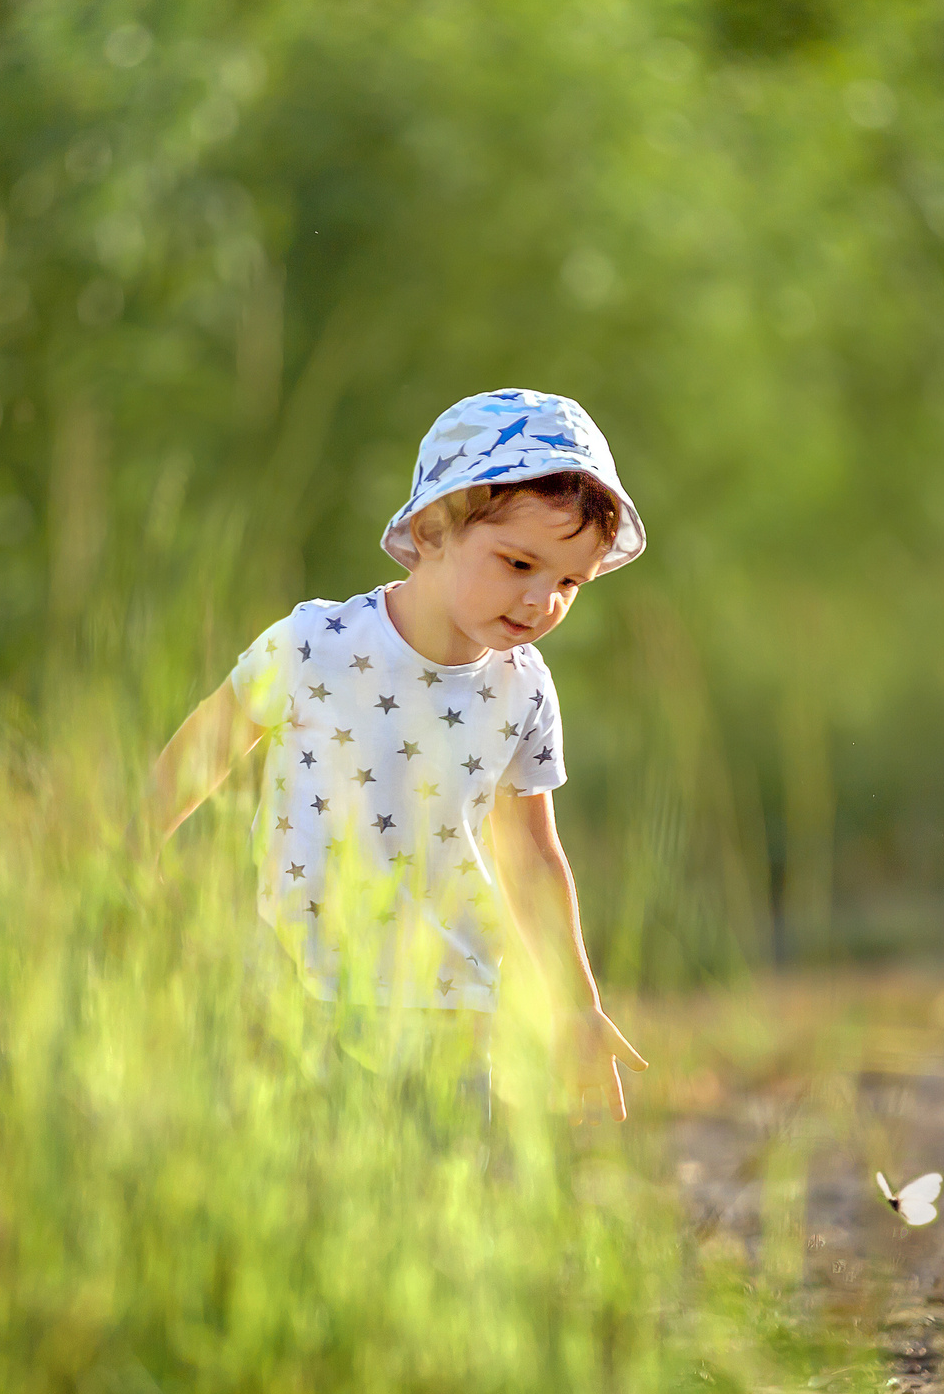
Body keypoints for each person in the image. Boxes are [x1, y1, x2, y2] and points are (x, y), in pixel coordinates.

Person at [148, 389, 650, 1119]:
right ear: (435, 528)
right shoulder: (316, 645)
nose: (543, 601)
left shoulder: (524, 690)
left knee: (435, 1185)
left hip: (450, 996)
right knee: (297, 1177)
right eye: (518, 563)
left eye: (569, 581)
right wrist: (132, 853)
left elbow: (534, 855)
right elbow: (202, 750)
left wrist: (577, 1004)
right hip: (296, 979)